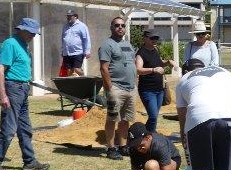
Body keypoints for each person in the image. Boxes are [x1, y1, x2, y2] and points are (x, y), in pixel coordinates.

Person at [0, 18, 49, 170]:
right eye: (31, 33)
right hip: (13, 89)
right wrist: (3, 95)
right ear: (22, 29)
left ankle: (30, 161)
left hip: (22, 89)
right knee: (8, 129)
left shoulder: (24, 44)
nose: (33, 36)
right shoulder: (10, 43)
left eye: (35, 33)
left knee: (25, 129)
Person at [98, 16, 137, 160]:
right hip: (116, 88)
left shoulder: (128, 44)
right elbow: (104, 68)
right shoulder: (107, 45)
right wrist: (110, 89)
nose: (120, 28)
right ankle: (110, 148)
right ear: (111, 27)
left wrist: (134, 83)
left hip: (130, 88)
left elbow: (132, 63)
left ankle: (123, 146)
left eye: (122, 25)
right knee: (112, 118)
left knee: (125, 119)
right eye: (117, 25)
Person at [134, 31, 174, 132]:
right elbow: (138, 69)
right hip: (147, 90)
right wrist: (153, 69)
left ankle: (148, 135)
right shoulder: (141, 53)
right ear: (145, 39)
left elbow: (160, 63)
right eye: (152, 38)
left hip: (159, 90)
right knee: (153, 116)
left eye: (156, 38)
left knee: (155, 116)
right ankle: (148, 136)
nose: (154, 40)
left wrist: (168, 62)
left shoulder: (155, 50)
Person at [60, 9, 91, 76]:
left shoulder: (82, 26)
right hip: (67, 53)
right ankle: (72, 85)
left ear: (75, 16)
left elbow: (86, 39)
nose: (68, 18)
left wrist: (87, 51)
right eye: (67, 16)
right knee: (69, 70)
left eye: (70, 16)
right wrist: (62, 50)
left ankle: (85, 79)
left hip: (78, 52)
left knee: (77, 69)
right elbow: (63, 39)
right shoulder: (65, 26)